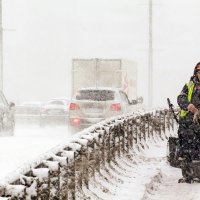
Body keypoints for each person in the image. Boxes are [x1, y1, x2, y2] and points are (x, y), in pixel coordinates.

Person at [177, 62, 200, 183]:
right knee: (186, 149)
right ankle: (188, 174)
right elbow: (180, 98)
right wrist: (188, 105)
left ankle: (197, 173)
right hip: (187, 123)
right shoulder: (189, 85)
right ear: (196, 73)